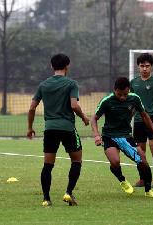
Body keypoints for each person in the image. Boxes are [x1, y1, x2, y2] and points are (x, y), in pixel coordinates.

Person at [27, 53, 90, 207]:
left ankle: (46, 199)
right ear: (67, 66)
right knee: (76, 160)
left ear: (51, 66)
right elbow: (74, 105)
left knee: (48, 165)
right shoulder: (71, 84)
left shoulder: (43, 85)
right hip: (68, 128)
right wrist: (84, 117)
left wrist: (30, 127)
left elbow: (32, 108)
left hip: (50, 129)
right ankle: (68, 192)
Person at [91, 77, 153, 198]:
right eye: (120, 94)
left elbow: (145, 116)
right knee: (115, 162)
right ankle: (122, 180)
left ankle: (148, 190)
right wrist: (97, 135)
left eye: (125, 94)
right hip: (109, 136)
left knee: (143, 160)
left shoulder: (134, 98)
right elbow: (94, 119)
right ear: (114, 90)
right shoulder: (107, 101)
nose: (123, 97)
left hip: (126, 136)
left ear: (129, 90)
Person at [130, 53, 153, 188]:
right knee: (140, 151)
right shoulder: (133, 83)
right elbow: (131, 105)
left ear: (151, 67)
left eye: (147, 66)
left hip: (152, 121)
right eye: (142, 66)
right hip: (138, 122)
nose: (144, 68)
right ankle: (143, 179)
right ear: (138, 67)